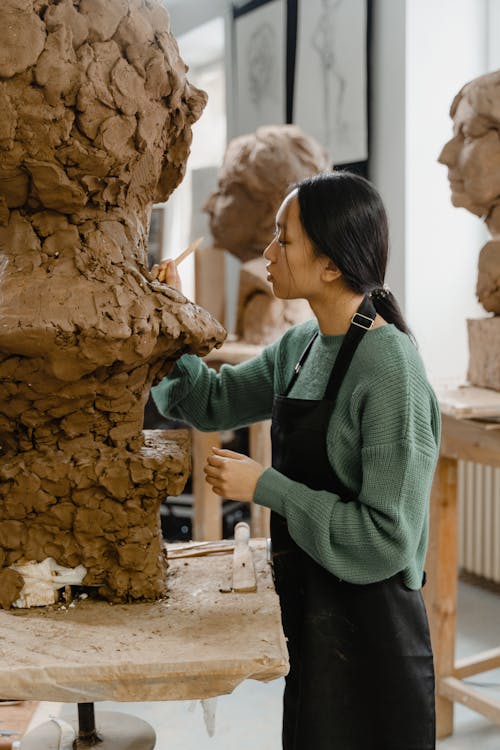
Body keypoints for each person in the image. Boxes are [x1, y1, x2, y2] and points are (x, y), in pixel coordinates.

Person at [152, 171, 440, 750]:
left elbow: (387, 539)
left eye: (283, 239)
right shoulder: (299, 346)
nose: (268, 252)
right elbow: (210, 402)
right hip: (310, 613)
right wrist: (170, 315)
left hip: (373, 633)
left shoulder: (389, 368)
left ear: (331, 264)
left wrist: (268, 487)